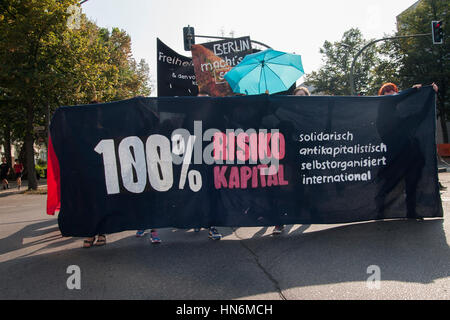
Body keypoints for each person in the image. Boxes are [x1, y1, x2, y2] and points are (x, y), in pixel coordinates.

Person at [376, 82, 440, 219]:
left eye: (392, 90)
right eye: (386, 91)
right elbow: (394, 99)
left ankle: (412, 211)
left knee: (412, 183)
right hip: (395, 157)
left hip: (411, 155)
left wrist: (431, 93)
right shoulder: (382, 113)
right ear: (382, 95)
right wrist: (413, 90)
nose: (390, 93)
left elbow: (421, 114)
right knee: (390, 184)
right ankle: (379, 211)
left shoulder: (401, 118)